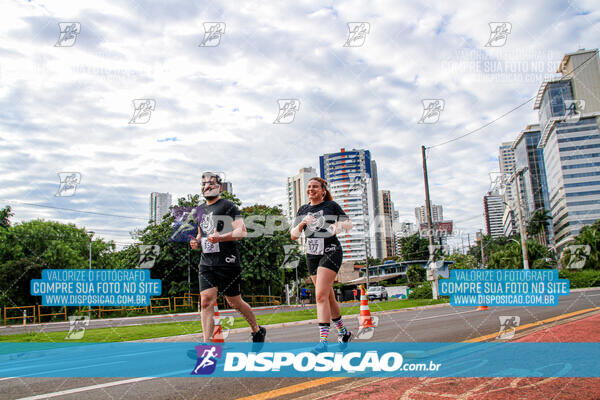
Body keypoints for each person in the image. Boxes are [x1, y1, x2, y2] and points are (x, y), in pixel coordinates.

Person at [190, 172, 266, 343]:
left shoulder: (228, 206)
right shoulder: (200, 210)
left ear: (220, 187)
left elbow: (242, 231)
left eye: (211, 183)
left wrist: (221, 238)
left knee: (235, 302)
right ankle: (207, 345)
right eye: (204, 184)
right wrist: (196, 242)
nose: (206, 186)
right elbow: (201, 233)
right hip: (206, 262)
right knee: (206, 301)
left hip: (227, 262)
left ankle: (257, 329)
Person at [291, 177, 353, 350]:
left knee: (320, 296)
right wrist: (302, 223)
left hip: (331, 251)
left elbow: (348, 223)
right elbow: (294, 236)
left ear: (323, 190)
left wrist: (338, 227)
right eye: (309, 186)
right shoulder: (303, 209)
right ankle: (343, 333)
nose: (311, 189)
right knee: (328, 296)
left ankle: (323, 342)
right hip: (312, 254)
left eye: (315, 187)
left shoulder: (330, 206)